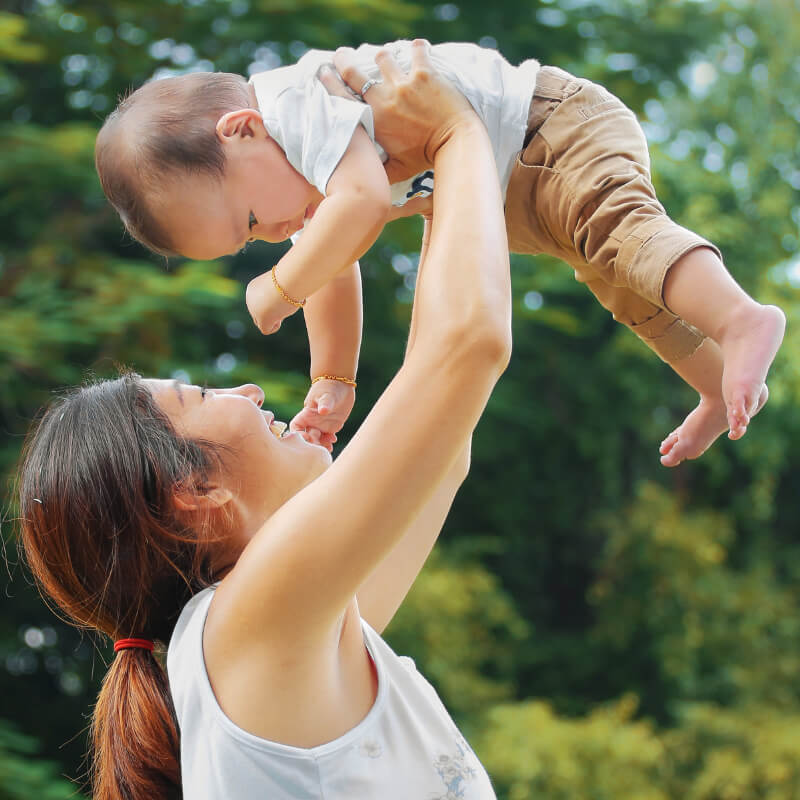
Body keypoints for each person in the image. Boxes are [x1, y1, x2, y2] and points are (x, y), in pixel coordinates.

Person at [20, 43, 510, 800]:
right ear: (195, 494)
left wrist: (434, 188)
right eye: (204, 397)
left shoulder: (289, 630)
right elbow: (466, 350)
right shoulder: (251, 628)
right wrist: (456, 133)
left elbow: (442, 451)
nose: (247, 390)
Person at [94, 40, 785, 468]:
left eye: (249, 218)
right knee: (626, 285)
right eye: (251, 241)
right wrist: (333, 378)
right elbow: (336, 257)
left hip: (548, 127)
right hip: (510, 184)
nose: (272, 234)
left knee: (621, 234)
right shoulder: (300, 183)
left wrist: (280, 286)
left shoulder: (292, 106)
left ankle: (743, 318)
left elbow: (362, 204)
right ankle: (712, 381)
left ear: (241, 131)